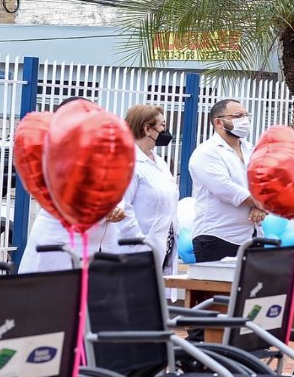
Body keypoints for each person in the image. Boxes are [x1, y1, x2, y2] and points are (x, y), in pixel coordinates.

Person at [17, 97, 128, 272]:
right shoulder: (51, 155)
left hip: (100, 248)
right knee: (53, 295)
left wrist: (117, 206)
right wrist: (105, 213)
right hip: (60, 246)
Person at [188, 99, 264, 262]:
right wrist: (260, 202)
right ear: (219, 122)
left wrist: (260, 205)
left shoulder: (251, 149)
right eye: (238, 116)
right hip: (218, 237)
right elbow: (225, 189)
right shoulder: (206, 152)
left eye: (246, 115)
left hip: (252, 236)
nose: (245, 120)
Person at [120, 104, 180, 285]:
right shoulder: (128, 162)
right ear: (147, 128)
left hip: (162, 247)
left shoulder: (158, 161)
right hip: (136, 251)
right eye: (162, 125)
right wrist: (141, 244)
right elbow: (122, 208)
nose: (166, 130)